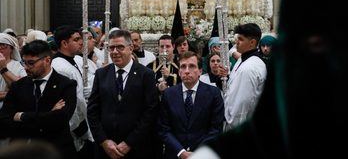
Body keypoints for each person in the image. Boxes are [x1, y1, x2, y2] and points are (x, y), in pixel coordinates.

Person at [87, 30, 159, 159]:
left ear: (130, 48)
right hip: (106, 148)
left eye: (120, 47)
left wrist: (129, 142)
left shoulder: (145, 74)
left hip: (136, 148)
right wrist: (103, 141)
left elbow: (150, 111)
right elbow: (92, 110)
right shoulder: (101, 74)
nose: (115, 52)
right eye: (112, 48)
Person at [0, 40, 77, 157]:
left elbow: (60, 119)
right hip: (22, 149)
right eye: (24, 63)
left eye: (31, 63)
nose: (26, 67)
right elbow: (4, 119)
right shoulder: (19, 85)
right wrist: (48, 114)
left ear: (47, 60)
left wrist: (21, 116)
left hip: (55, 150)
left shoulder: (65, 85)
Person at [158, 51, 224, 159]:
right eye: (183, 67)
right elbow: (164, 128)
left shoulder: (213, 93)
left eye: (192, 66)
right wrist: (181, 152)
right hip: (175, 154)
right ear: (179, 72)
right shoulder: (169, 94)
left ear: (200, 71)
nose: (187, 71)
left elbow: (216, 129)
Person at [51, 25, 93, 157]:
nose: (81, 42)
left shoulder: (72, 61)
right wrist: (83, 130)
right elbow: (72, 103)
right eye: (76, 39)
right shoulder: (60, 66)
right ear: (64, 43)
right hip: (71, 129)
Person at [220, 23, 266, 131]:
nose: (236, 42)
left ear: (252, 42)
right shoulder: (243, 59)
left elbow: (241, 107)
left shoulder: (250, 68)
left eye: (240, 39)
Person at [0, 33, 26, 110]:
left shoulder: (17, 65)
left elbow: (24, 85)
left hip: (8, 109)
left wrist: (8, 94)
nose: (0, 48)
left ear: (11, 49)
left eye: (3, 46)